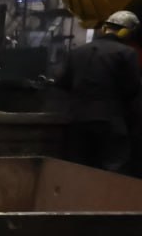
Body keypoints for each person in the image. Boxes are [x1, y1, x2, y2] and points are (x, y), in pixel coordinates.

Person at [56, 11, 141, 173]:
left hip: (77, 120)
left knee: (78, 168)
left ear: (104, 28)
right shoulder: (126, 53)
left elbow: (62, 83)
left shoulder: (78, 51)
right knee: (112, 170)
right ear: (126, 32)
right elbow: (132, 89)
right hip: (109, 121)